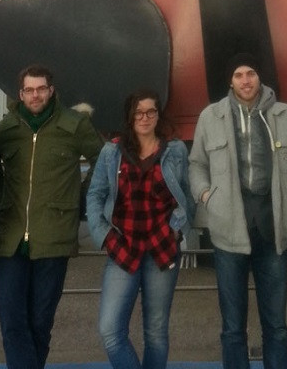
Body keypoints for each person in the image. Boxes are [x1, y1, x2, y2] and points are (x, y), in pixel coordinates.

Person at [188, 53, 287, 369]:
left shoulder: (285, 116)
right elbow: (196, 165)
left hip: (273, 235)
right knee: (232, 329)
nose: (246, 80)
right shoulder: (210, 117)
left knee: (277, 327)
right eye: (239, 74)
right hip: (228, 235)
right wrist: (207, 195)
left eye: (251, 73)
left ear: (260, 78)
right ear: (230, 81)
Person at [0, 64, 104, 369]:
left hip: (54, 237)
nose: (35, 95)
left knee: (40, 322)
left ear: (51, 90)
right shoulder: (6, 129)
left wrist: (81, 196)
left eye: (41, 88)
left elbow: (104, 161)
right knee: (12, 322)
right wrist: (0, 196)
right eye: (29, 90)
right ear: (20, 94)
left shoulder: (73, 125)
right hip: (12, 239)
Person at [86, 88, 195, 369]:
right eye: (138, 112)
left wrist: (176, 230)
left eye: (151, 111)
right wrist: (105, 237)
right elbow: (95, 195)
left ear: (158, 115)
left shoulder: (175, 151)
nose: (145, 117)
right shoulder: (113, 152)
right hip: (123, 247)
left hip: (161, 249)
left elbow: (186, 194)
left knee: (156, 334)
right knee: (110, 330)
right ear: (130, 116)